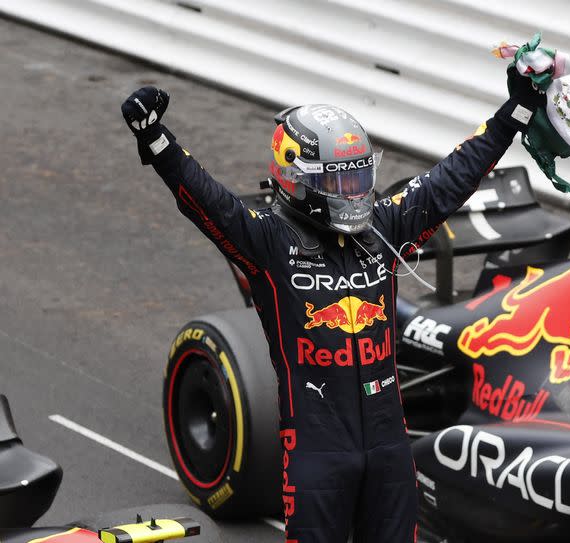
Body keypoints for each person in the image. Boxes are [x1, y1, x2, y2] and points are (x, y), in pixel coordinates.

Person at [121, 67, 544, 542]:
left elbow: (454, 176)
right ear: (297, 179)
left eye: (359, 177)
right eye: (340, 182)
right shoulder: (266, 241)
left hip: (389, 447)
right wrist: (157, 141)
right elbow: (207, 201)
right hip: (317, 454)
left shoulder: (385, 226)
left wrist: (517, 111)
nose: (354, 194)